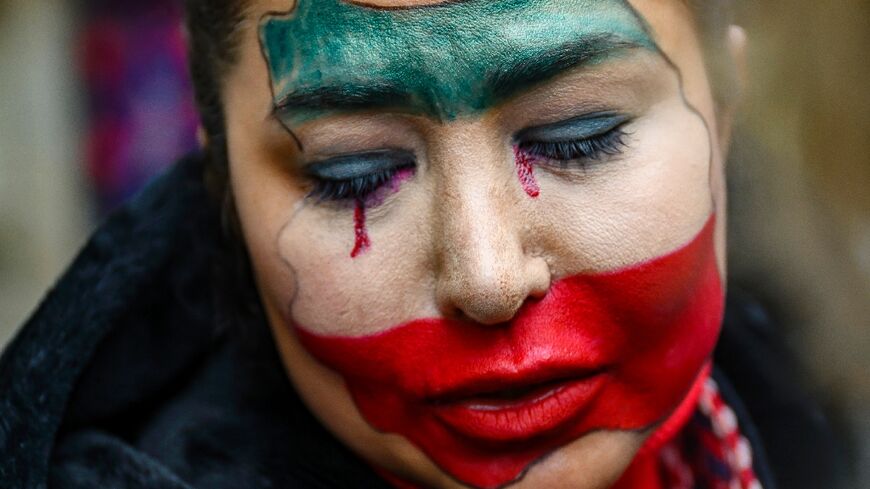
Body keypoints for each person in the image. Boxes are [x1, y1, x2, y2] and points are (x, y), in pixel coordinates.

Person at [0, 1, 847, 488]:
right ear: (219, 172)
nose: (487, 277)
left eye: (579, 134)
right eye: (352, 174)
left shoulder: (798, 413)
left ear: (724, 106)